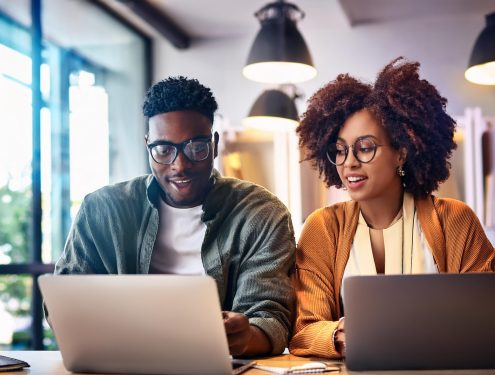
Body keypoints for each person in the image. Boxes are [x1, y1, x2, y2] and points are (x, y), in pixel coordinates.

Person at [55, 76, 296, 357]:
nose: (180, 165)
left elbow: (271, 317)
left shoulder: (262, 214)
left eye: (196, 147)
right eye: (164, 149)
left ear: (215, 144)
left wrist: (247, 336)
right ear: (148, 146)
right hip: (122, 363)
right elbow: (64, 303)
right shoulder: (102, 210)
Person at [289, 57, 495, 359]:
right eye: (341, 150)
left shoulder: (454, 220)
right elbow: (304, 331)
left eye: (365, 147)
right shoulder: (323, 227)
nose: (349, 162)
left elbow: (486, 317)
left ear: (401, 152)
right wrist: (341, 335)